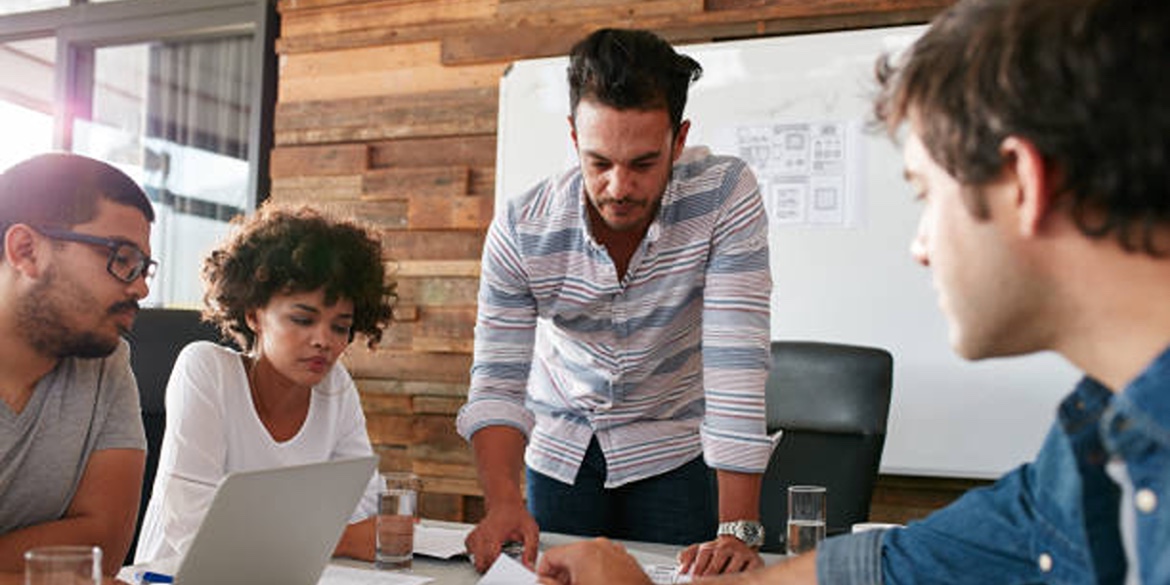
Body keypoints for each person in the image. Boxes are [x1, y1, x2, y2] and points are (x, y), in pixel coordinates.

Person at [535, 0, 1170, 583]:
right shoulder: (1089, 454)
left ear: (1023, 183)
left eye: (926, 195)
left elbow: (734, 360)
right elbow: (895, 565)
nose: (920, 246)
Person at [456, 27, 774, 575]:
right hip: (561, 453)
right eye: (600, 162)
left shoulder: (724, 195)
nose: (619, 186)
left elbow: (736, 363)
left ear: (679, 140)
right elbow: (497, 381)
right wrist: (504, 501)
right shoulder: (522, 228)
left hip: (673, 451)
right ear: (574, 138)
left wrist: (737, 530)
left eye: (644, 164)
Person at [134, 205, 394, 563]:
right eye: (303, 319)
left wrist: (289, 532)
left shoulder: (336, 387)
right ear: (254, 315)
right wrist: (341, 540)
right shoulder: (206, 369)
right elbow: (197, 530)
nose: (324, 341)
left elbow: (364, 505)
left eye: (340, 326)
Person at [0, 153, 155, 579]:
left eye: (144, 267)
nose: (140, 286)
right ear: (26, 250)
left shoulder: (106, 360)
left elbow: (102, 542)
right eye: (122, 258)